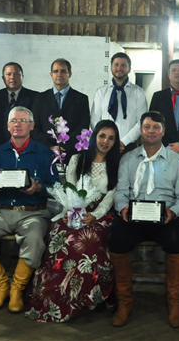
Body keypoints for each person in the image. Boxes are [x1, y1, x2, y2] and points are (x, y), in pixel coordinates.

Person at [0, 106, 57, 313]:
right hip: (0, 211)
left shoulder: (45, 153)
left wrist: (38, 187)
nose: (18, 125)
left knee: (34, 241)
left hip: (33, 211)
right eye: (14, 121)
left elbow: (55, 188)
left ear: (31, 126)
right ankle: (1, 285)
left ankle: (17, 289)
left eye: (23, 121)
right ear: (7, 126)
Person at [26, 120, 121, 322]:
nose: (105, 141)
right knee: (61, 237)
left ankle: (87, 296)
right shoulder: (78, 159)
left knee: (89, 242)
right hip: (73, 210)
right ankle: (56, 295)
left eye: (111, 138)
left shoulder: (116, 164)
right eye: (102, 136)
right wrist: (73, 212)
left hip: (100, 216)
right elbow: (69, 189)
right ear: (94, 136)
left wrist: (95, 215)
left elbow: (111, 196)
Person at [110, 111, 179, 328]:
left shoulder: (177, 161)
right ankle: (124, 302)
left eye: (156, 127)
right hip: (134, 216)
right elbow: (121, 192)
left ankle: (174, 302)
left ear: (163, 131)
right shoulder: (128, 158)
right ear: (141, 130)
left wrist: (172, 212)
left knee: (178, 242)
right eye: (147, 127)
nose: (151, 131)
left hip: (165, 217)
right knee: (116, 238)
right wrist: (123, 208)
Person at [30, 58, 91, 156]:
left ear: (70, 74)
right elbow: (34, 127)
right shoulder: (40, 98)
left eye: (63, 71)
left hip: (71, 152)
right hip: (45, 152)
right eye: (56, 71)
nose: (59, 74)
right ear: (51, 74)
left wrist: (63, 146)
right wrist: (50, 147)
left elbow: (83, 126)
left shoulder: (81, 99)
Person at [90, 52, 147, 152]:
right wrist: (105, 140)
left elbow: (141, 122)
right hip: (104, 146)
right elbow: (95, 119)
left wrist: (124, 141)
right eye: (116, 65)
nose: (119, 68)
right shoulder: (101, 92)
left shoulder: (139, 92)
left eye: (123, 65)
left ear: (129, 69)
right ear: (111, 67)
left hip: (129, 146)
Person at [0, 62, 38, 147]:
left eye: (16, 74)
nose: (12, 77)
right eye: (8, 74)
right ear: (3, 78)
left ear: (22, 76)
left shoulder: (35, 97)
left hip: (27, 146)